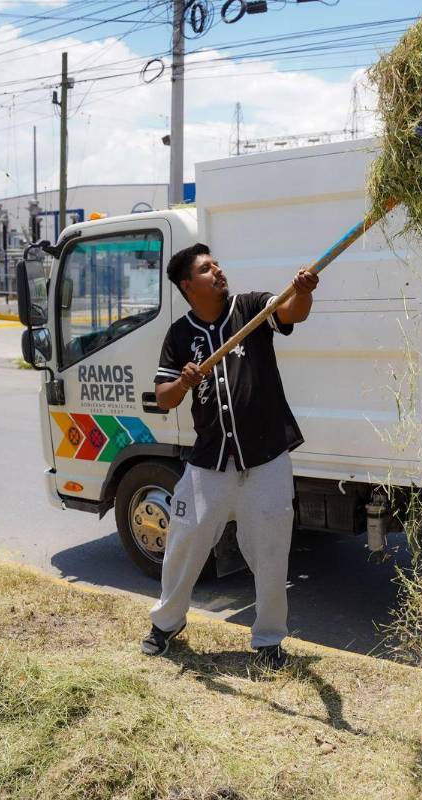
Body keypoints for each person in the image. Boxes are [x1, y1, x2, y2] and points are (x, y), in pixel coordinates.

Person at [141, 243, 318, 670]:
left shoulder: (251, 308)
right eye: (206, 269)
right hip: (210, 462)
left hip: (266, 459)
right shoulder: (180, 335)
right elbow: (164, 397)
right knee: (184, 542)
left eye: (217, 264)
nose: (218, 271)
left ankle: (269, 640)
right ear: (188, 285)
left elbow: (293, 313)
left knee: (272, 552)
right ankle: (166, 624)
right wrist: (183, 382)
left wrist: (304, 290)